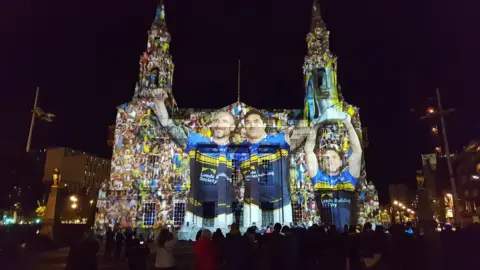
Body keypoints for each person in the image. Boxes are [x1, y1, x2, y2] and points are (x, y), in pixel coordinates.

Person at [153, 89, 236, 226]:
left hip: (224, 215)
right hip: (196, 214)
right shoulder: (198, 142)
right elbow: (169, 125)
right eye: (217, 120)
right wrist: (159, 102)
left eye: (224, 121)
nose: (219, 123)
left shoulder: (238, 151)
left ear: (232, 127)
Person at [304, 114, 362, 228]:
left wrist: (348, 124)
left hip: (347, 235)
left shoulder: (349, 178)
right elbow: (308, 150)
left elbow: (357, 152)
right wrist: (315, 128)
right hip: (326, 236)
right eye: (326, 158)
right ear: (321, 163)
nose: (330, 160)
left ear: (341, 161)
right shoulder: (318, 178)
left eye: (334, 157)